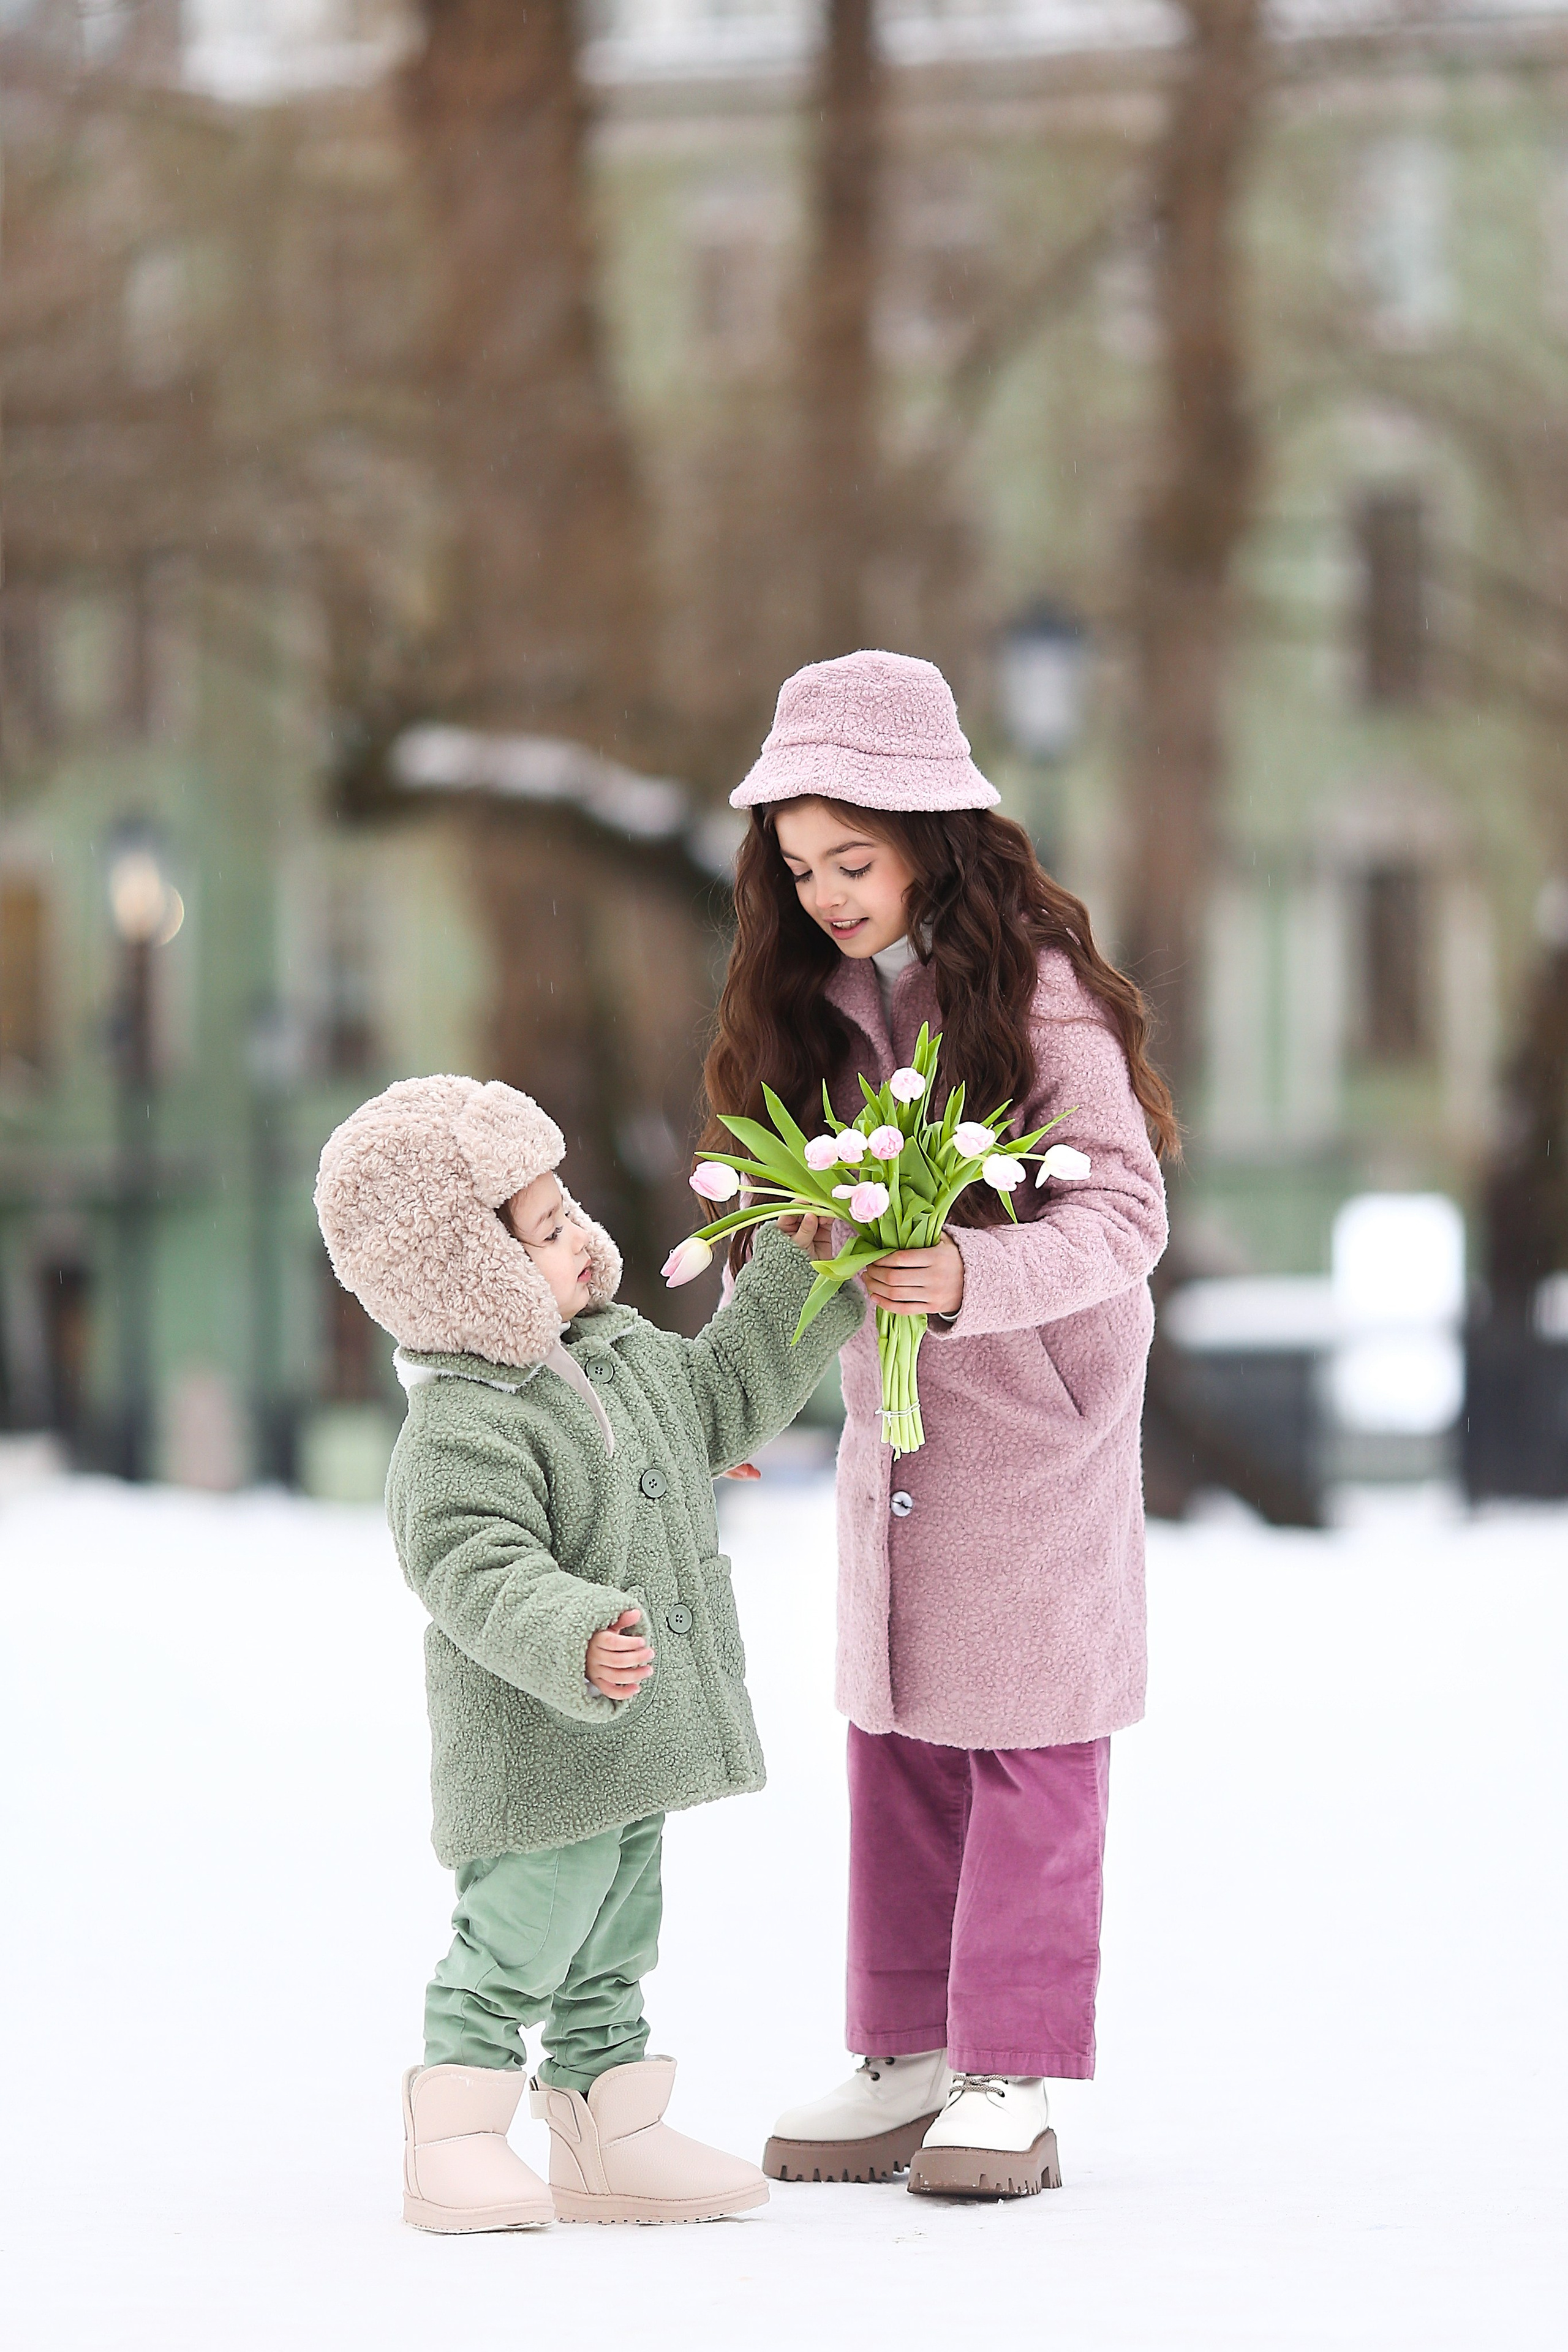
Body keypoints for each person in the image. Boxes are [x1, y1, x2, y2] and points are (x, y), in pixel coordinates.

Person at [702, 649, 1175, 2198]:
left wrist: (973, 1268)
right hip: (893, 1437)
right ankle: (905, 2053)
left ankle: (1008, 2071)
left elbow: (1122, 1209)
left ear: (929, 833)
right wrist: (733, 1396)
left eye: (853, 859)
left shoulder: (1035, 996)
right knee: (897, 1728)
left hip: (1032, 1426)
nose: (826, 893)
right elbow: (792, 1229)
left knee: (1028, 1734)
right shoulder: (825, 1011)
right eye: (798, 866)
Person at [314, 1074, 860, 2230]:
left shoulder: (619, 1355)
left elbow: (725, 1394)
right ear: (468, 1273)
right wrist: (573, 1632)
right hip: (537, 1752)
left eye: (570, 1215)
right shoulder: (466, 1419)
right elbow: (469, 1563)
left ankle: (606, 2122)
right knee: (525, 1929)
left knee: (619, 1934)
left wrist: (807, 1273)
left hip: (635, 1740)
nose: (578, 1239)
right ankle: (454, 2129)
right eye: (547, 1229)